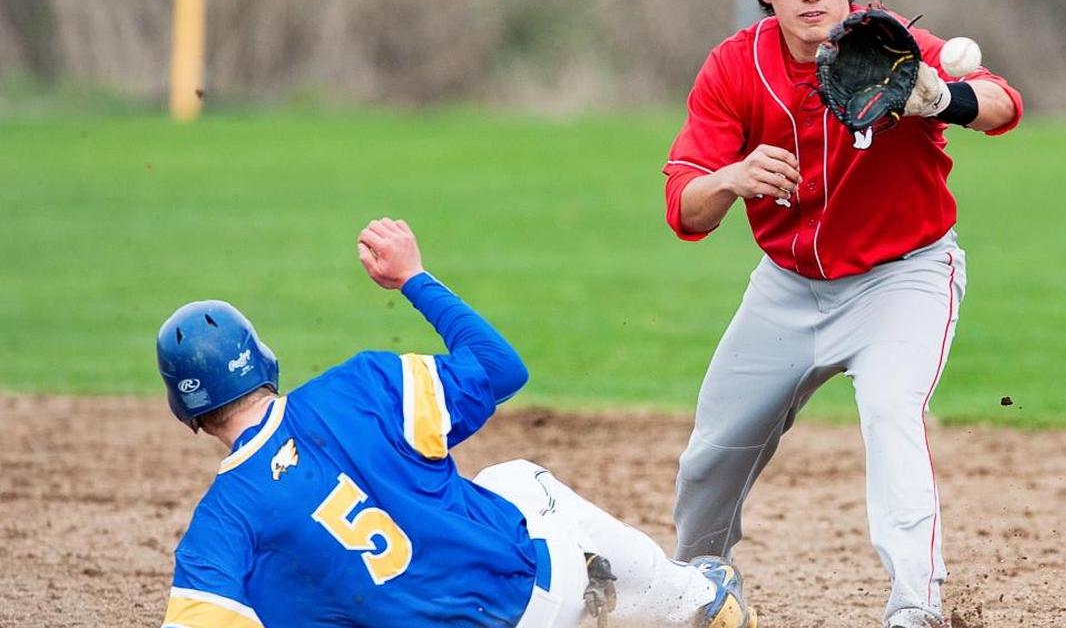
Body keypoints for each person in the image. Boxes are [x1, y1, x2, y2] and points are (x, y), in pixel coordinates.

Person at [155, 217, 758, 628]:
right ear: (262, 359)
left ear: (187, 413)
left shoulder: (218, 528)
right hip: (533, 601)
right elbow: (501, 368)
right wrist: (413, 278)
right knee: (515, 481)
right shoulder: (359, 388)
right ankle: (701, 603)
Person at [662, 0, 1022, 627]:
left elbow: (1001, 105)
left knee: (891, 413)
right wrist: (729, 178)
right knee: (713, 452)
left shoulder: (890, 44)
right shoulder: (734, 66)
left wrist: (941, 99)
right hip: (787, 288)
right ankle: (696, 590)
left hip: (903, 279)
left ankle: (916, 604)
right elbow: (685, 208)